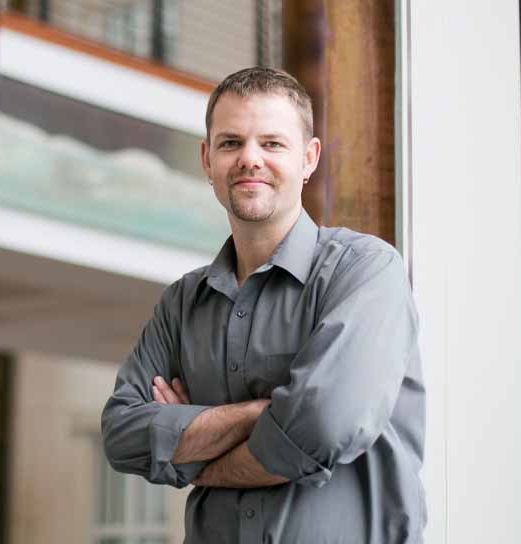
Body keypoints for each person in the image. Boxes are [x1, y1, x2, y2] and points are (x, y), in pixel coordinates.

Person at [100, 67, 426, 543]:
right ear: (207, 159)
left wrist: (194, 456)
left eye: (272, 144)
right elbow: (122, 435)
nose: (250, 159)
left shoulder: (365, 271)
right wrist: (265, 412)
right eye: (231, 143)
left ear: (309, 158)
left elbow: (321, 426)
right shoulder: (181, 304)